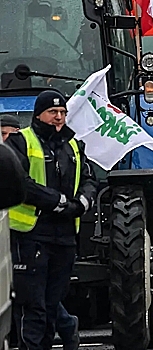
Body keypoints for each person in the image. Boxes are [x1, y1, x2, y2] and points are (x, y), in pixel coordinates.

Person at [5, 90, 97, 350]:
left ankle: (59, 335)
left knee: (51, 301)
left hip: (66, 235)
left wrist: (82, 203)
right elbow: (20, 182)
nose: (58, 118)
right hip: (31, 233)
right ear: (38, 115)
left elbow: (90, 179)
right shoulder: (20, 142)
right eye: (53, 113)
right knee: (32, 304)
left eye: (62, 113)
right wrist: (56, 201)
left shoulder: (74, 145)